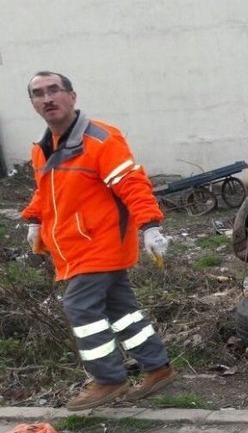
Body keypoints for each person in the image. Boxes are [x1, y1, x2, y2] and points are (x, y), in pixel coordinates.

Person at [21, 71, 176, 411]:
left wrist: (150, 225)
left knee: (79, 307)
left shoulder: (101, 139)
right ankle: (158, 367)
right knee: (123, 312)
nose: (47, 98)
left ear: (72, 96)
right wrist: (34, 218)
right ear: (33, 103)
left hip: (98, 244)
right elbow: (46, 192)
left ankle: (108, 379)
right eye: (38, 93)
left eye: (54, 90)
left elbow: (132, 183)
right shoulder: (44, 148)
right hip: (72, 247)